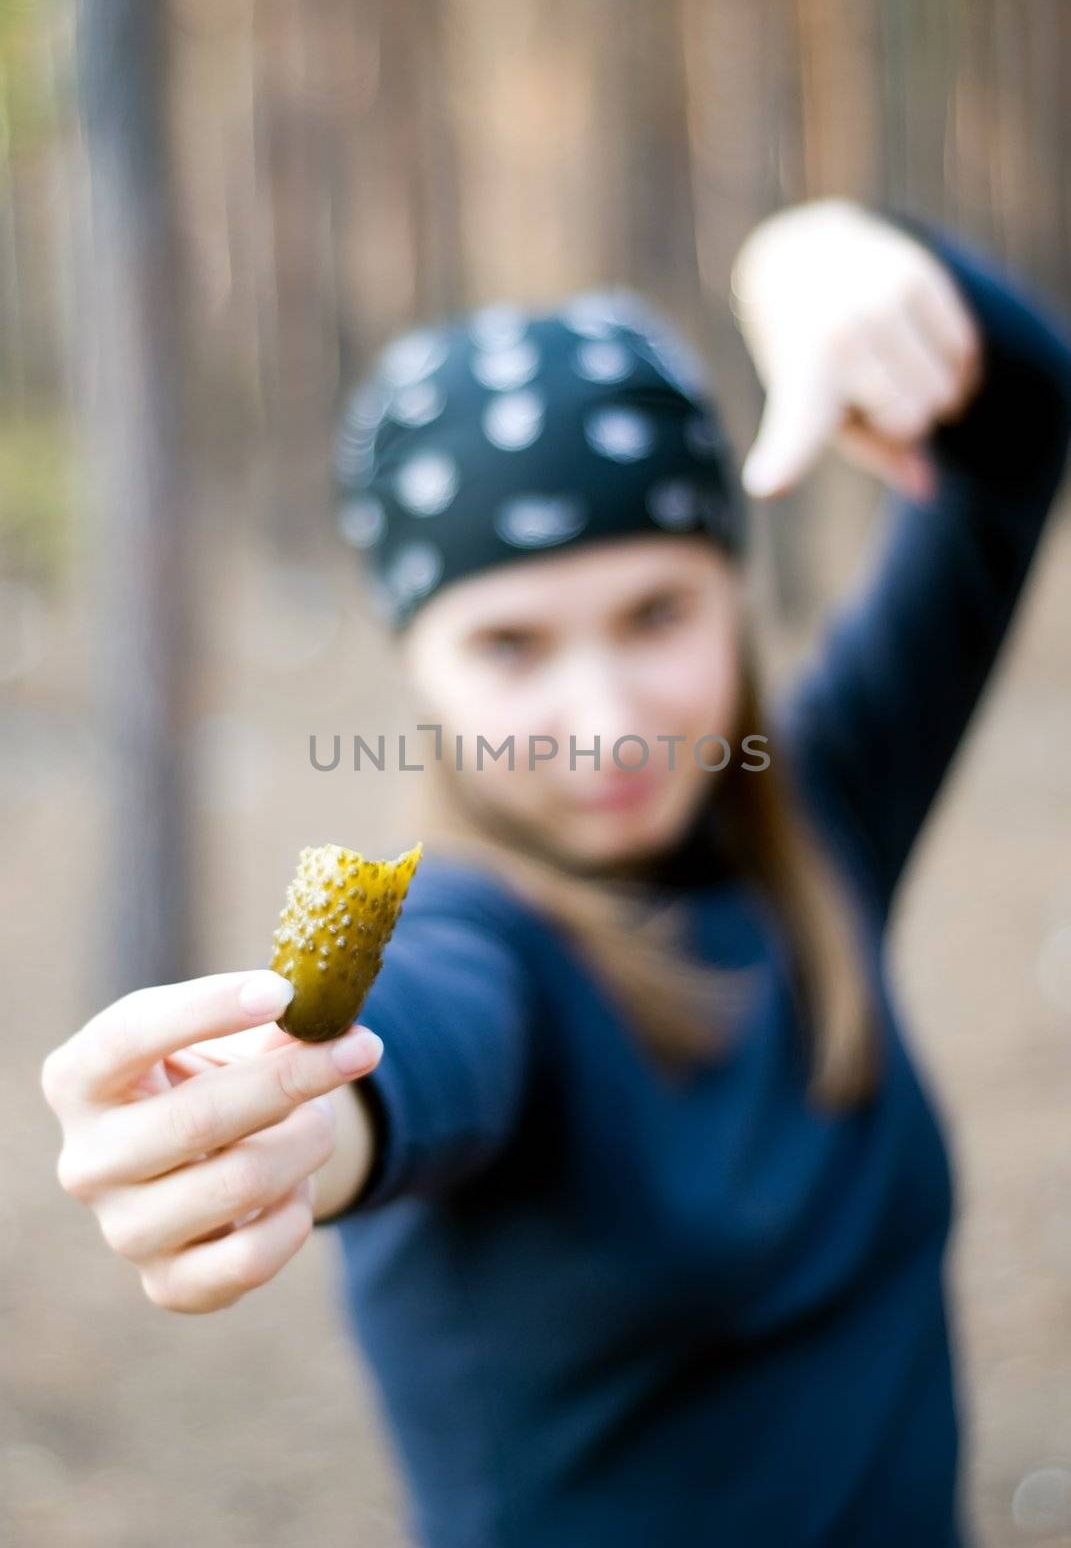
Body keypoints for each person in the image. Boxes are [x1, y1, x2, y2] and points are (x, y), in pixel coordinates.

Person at [41, 198, 1071, 1548]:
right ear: (420, 661)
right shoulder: (481, 955)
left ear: (734, 598)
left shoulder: (822, 809)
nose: (606, 719)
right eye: (513, 645)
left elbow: (1019, 426)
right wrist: (275, 1136)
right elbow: (407, 1054)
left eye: (656, 613)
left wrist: (812, 245)